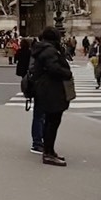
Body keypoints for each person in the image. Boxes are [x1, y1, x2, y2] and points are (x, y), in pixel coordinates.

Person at [30, 27, 74, 167]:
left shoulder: (43, 49)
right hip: (51, 90)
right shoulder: (49, 51)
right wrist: (66, 72)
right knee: (52, 123)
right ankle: (48, 153)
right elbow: (53, 68)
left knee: (50, 121)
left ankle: (49, 150)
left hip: (46, 89)